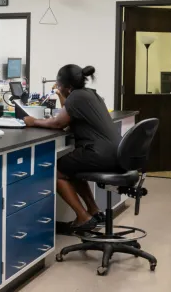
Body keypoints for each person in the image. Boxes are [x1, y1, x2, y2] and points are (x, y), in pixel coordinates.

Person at [24, 65, 122, 231]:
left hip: (99, 153)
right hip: (116, 153)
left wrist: (34, 121)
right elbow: (67, 112)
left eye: (58, 84)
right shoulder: (89, 93)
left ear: (65, 86)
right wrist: (62, 95)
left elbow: (58, 123)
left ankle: (83, 217)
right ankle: (93, 210)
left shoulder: (76, 97)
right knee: (72, 167)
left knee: (56, 171)